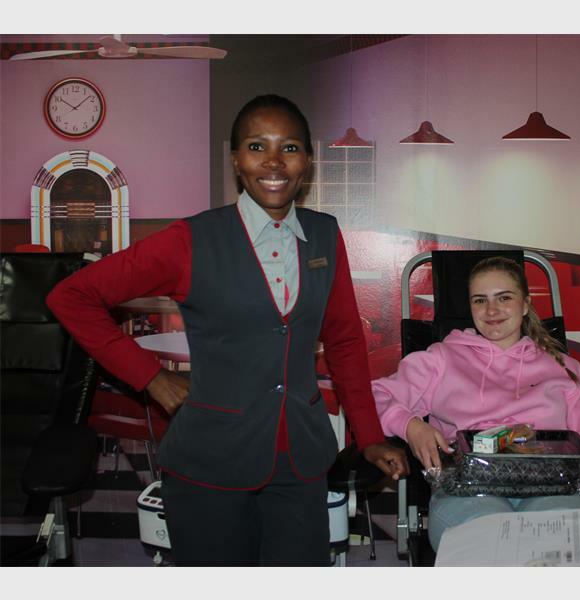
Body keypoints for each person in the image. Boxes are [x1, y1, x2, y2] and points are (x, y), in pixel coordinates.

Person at [47, 94, 409, 566]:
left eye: (290, 148)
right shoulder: (191, 239)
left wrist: (369, 434)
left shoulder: (324, 234)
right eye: (257, 147)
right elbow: (71, 296)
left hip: (299, 462)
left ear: (308, 161)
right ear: (236, 160)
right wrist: (150, 376)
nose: (274, 162)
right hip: (210, 464)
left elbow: (343, 340)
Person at [372, 256, 580, 552]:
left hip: (551, 488)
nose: (491, 310)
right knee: (491, 542)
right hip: (469, 490)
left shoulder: (566, 369)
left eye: (504, 298)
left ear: (526, 304)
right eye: (480, 300)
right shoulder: (441, 358)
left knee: (561, 545)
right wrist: (411, 426)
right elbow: (376, 396)